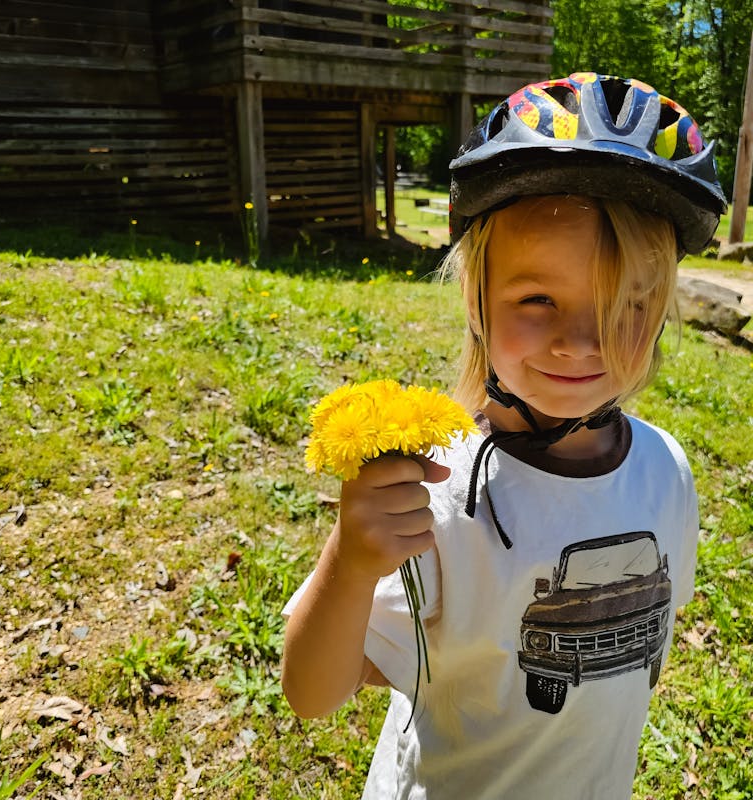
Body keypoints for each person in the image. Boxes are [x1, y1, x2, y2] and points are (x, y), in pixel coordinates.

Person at [280, 73, 727, 799]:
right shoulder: (437, 489)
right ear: (476, 294)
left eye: (629, 303)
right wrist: (353, 564)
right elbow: (313, 692)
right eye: (539, 298)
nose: (583, 342)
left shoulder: (665, 471)